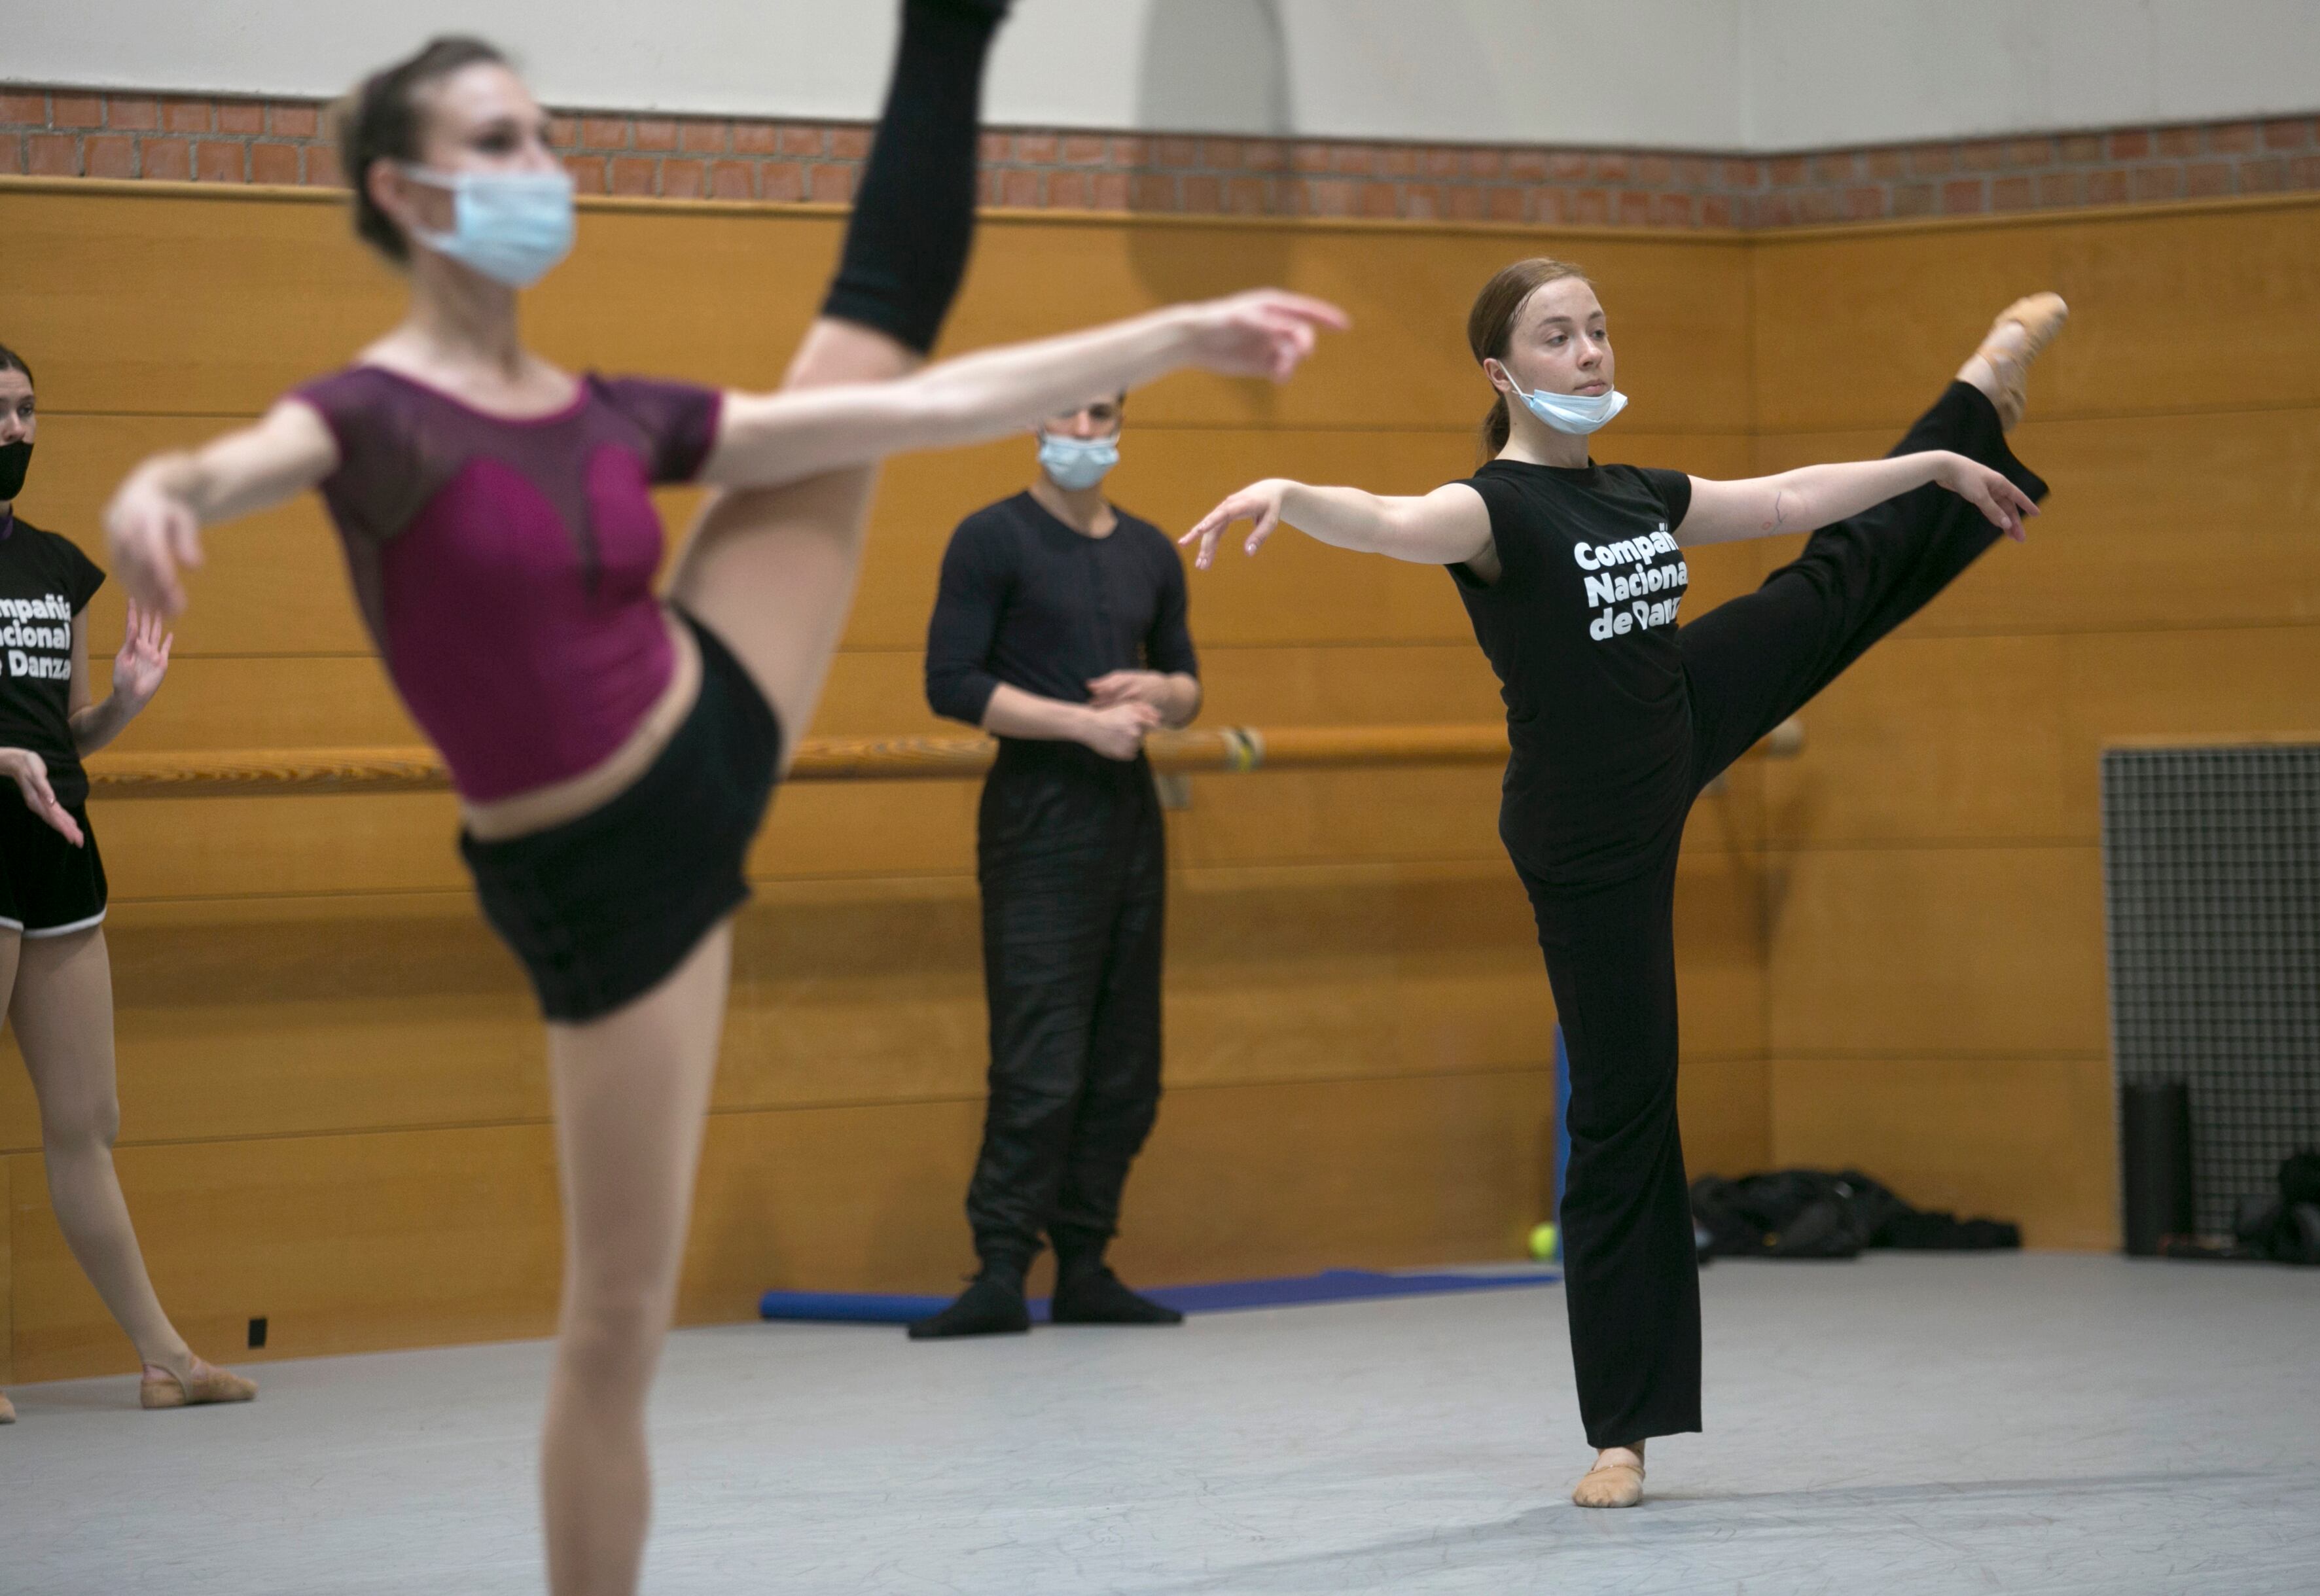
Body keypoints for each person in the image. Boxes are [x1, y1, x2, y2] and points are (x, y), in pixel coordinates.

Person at [98, 12, 1339, 1589]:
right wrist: (159, 491)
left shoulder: (611, 408)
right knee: (615, 1320)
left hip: (711, 712)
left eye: (544, 136)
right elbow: (225, 466)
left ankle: (949, 24)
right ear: (405, 195)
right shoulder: (372, 414)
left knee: (869, 356)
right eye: (496, 144)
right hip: (604, 879)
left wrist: (1161, 339)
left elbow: (918, 414)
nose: (539, 165)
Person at [1183, 257, 2063, 1510]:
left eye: (1598, 329)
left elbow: (1791, 498)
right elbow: (1386, 519)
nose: (1590, 351)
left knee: (1830, 580)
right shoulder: (1494, 511)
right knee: (1627, 1108)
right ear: (1505, 372)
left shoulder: (1637, 493)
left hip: (1680, 718)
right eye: (1559, 336)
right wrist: (1286, 488)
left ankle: (1978, 398)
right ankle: (1622, 1433)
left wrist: (1929, 465)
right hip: (1586, 826)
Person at [0, 344, 255, 1424]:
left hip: (57, 851)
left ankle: (164, 1358)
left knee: (87, 1117)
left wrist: (127, 706)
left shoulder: (58, 569)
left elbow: (65, 736)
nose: (15, 429)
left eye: (25, 410)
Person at [912, 391, 1200, 1339]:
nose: (1085, 432)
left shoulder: (1152, 550)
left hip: (1128, 819)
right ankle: (1000, 1268)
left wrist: (1160, 690)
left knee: (1127, 1062)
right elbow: (949, 683)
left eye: (1102, 414)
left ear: (1122, 424)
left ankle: (1086, 1263)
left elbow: (1187, 682)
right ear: (1034, 426)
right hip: (1036, 816)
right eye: (1067, 415)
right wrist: (1081, 723)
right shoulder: (991, 539)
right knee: (1041, 1058)